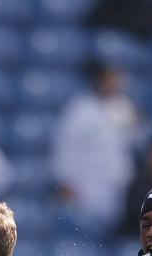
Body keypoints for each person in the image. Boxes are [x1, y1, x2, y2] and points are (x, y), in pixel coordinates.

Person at [51, 63, 139, 235]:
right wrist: (66, 181)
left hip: (118, 191)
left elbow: (136, 144)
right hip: (85, 189)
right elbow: (66, 147)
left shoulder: (124, 108)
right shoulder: (80, 110)